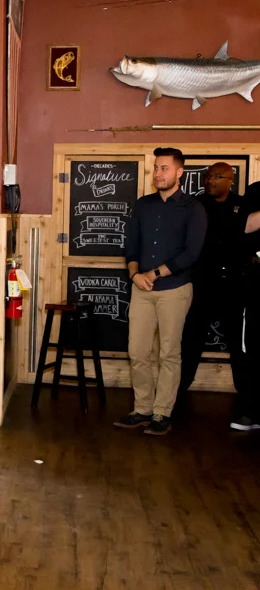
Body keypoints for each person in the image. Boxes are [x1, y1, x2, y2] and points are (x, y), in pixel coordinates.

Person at [115, 147, 206, 436]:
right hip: (141, 288)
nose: (158, 173)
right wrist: (134, 275)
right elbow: (131, 246)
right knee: (138, 351)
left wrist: (152, 274)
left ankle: (162, 412)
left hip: (174, 289)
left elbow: (191, 254)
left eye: (164, 168)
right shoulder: (143, 205)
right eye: (156, 168)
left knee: (169, 353)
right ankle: (142, 409)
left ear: (179, 172)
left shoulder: (193, 208)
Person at [178, 163, 247, 412]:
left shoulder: (242, 205)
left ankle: (246, 400)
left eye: (217, 177)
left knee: (238, 346)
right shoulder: (196, 205)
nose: (210, 180)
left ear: (230, 180)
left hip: (233, 286)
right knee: (191, 341)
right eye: (208, 176)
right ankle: (176, 393)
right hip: (203, 284)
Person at [232, 188, 260, 431]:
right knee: (253, 345)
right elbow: (245, 225)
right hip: (257, 277)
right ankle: (251, 412)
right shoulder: (256, 190)